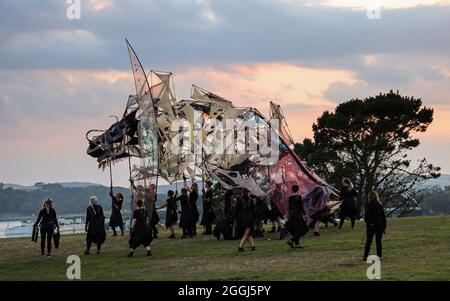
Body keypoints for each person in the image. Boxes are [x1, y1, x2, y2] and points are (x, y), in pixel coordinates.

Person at [363, 191, 387, 261]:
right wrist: (384, 226)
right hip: (379, 226)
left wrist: (367, 222)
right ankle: (379, 256)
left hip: (371, 225)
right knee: (378, 242)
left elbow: (367, 216)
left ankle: (365, 256)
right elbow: (383, 217)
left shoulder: (368, 205)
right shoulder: (379, 205)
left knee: (368, 242)